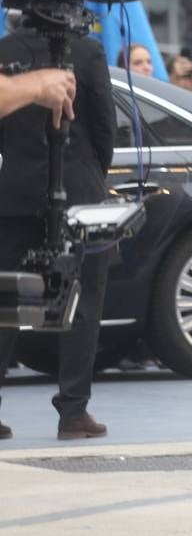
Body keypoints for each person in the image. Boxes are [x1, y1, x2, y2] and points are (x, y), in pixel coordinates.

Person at [0, 31, 113, 441]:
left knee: (6, 301)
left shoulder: (6, 50)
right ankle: (73, 412)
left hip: (13, 192)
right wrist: (94, 174)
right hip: (79, 190)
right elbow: (104, 124)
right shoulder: (88, 50)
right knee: (84, 302)